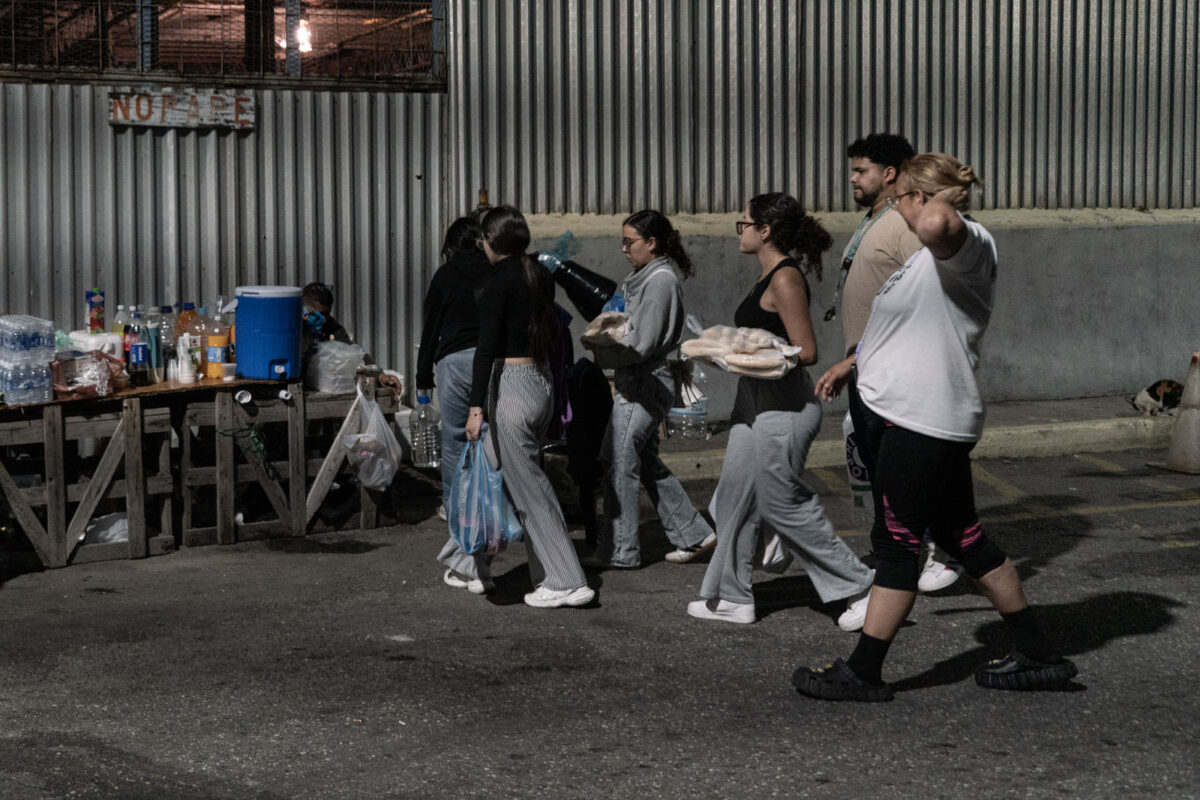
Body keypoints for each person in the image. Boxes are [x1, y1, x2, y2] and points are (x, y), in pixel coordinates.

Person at [794, 154, 1077, 701]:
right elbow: (911, 327)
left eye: (900, 198)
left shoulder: (966, 242)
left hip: (920, 419)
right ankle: (1037, 653)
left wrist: (935, 198)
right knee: (962, 536)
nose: (894, 208)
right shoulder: (925, 262)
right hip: (907, 413)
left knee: (896, 542)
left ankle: (865, 671)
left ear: (921, 198)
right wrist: (851, 364)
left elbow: (939, 224)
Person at [686, 193, 874, 627]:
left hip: (785, 405)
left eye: (744, 224)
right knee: (733, 496)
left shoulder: (785, 277)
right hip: (752, 400)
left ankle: (859, 588)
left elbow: (805, 350)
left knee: (781, 503)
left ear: (764, 230)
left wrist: (739, 355)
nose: (741, 230)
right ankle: (733, 595)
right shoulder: (766, 275)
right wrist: (727, 348)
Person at [821, 133, 961, 594]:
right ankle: (903, 556)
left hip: (892, 371)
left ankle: (944, 550)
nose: (853, 179)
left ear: (890, 175)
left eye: (861, 171)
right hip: (868, 369)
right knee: (885, 473)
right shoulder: (875, 220)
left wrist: (858, 358)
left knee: (904, 472)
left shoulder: (904, 226)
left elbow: (927, 297)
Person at [464, 205, 595, 609]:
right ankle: (471, 564)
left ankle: (567, 578)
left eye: (483, 239)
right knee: (497, 478)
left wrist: (474, 408)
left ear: (490, 242)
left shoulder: (496, 284)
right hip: (540, 383)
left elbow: (485, 350)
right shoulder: (538, 276)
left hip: (511, 387)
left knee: (530, 489)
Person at [579, 211, 716, 569]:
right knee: (639, 460)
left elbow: (641, 343)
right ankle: (693, 532)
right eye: (622, 241)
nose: (624, 248)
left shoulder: (660, 282)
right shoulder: (642, 277)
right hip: (636, 381)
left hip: (644, 383)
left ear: (651, 243)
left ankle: (621, 550)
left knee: (619, 463)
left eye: (630, 242)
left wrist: (600, 348)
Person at [415, 217, 504, 593]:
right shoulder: (498, 272)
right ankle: (482, 559)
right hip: (496, 365)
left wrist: (422, 378)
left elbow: (431, 327)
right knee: (490, 452)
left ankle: (467, 562)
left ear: (451, 246)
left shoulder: (447, 276)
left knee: (456, 452)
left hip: (455, 365)